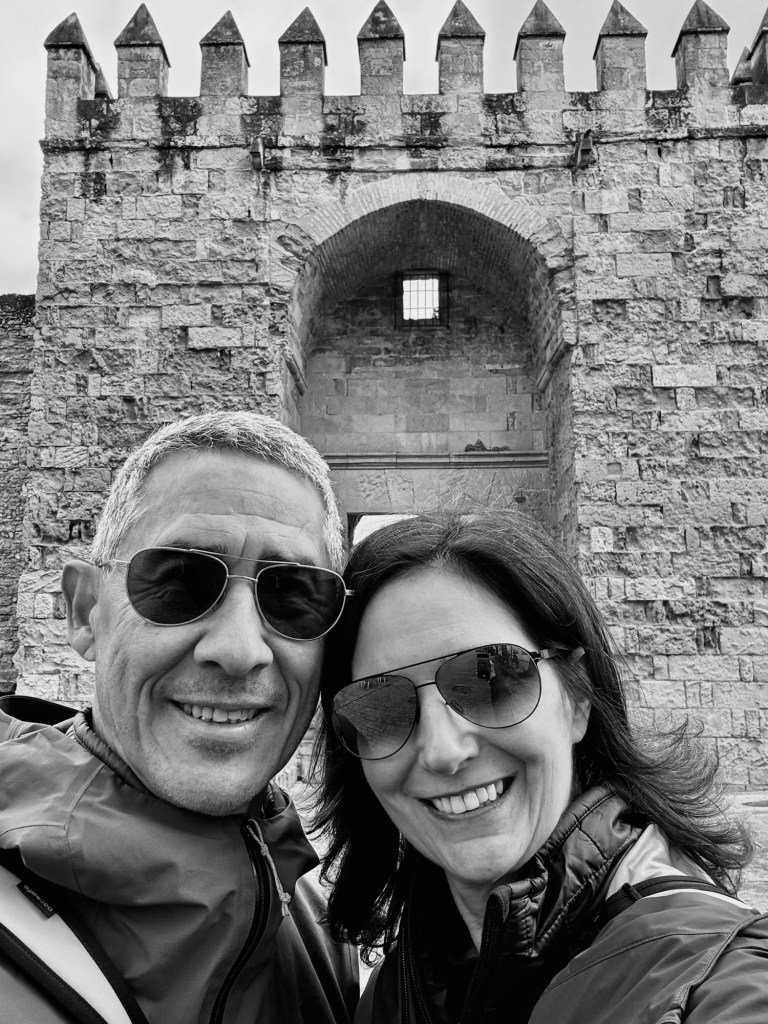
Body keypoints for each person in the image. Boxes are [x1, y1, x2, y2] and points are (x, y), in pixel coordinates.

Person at [314, 507, 768, 1024]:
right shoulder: (394, 995)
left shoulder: (717, 979)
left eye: (489, 679)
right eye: (380, 706)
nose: (443, 751)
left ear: (577, 698)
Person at [0, 411, 358, 1024]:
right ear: (86, 612)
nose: (239, 650)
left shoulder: (320, 916)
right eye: (181, 582)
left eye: (292, 594)